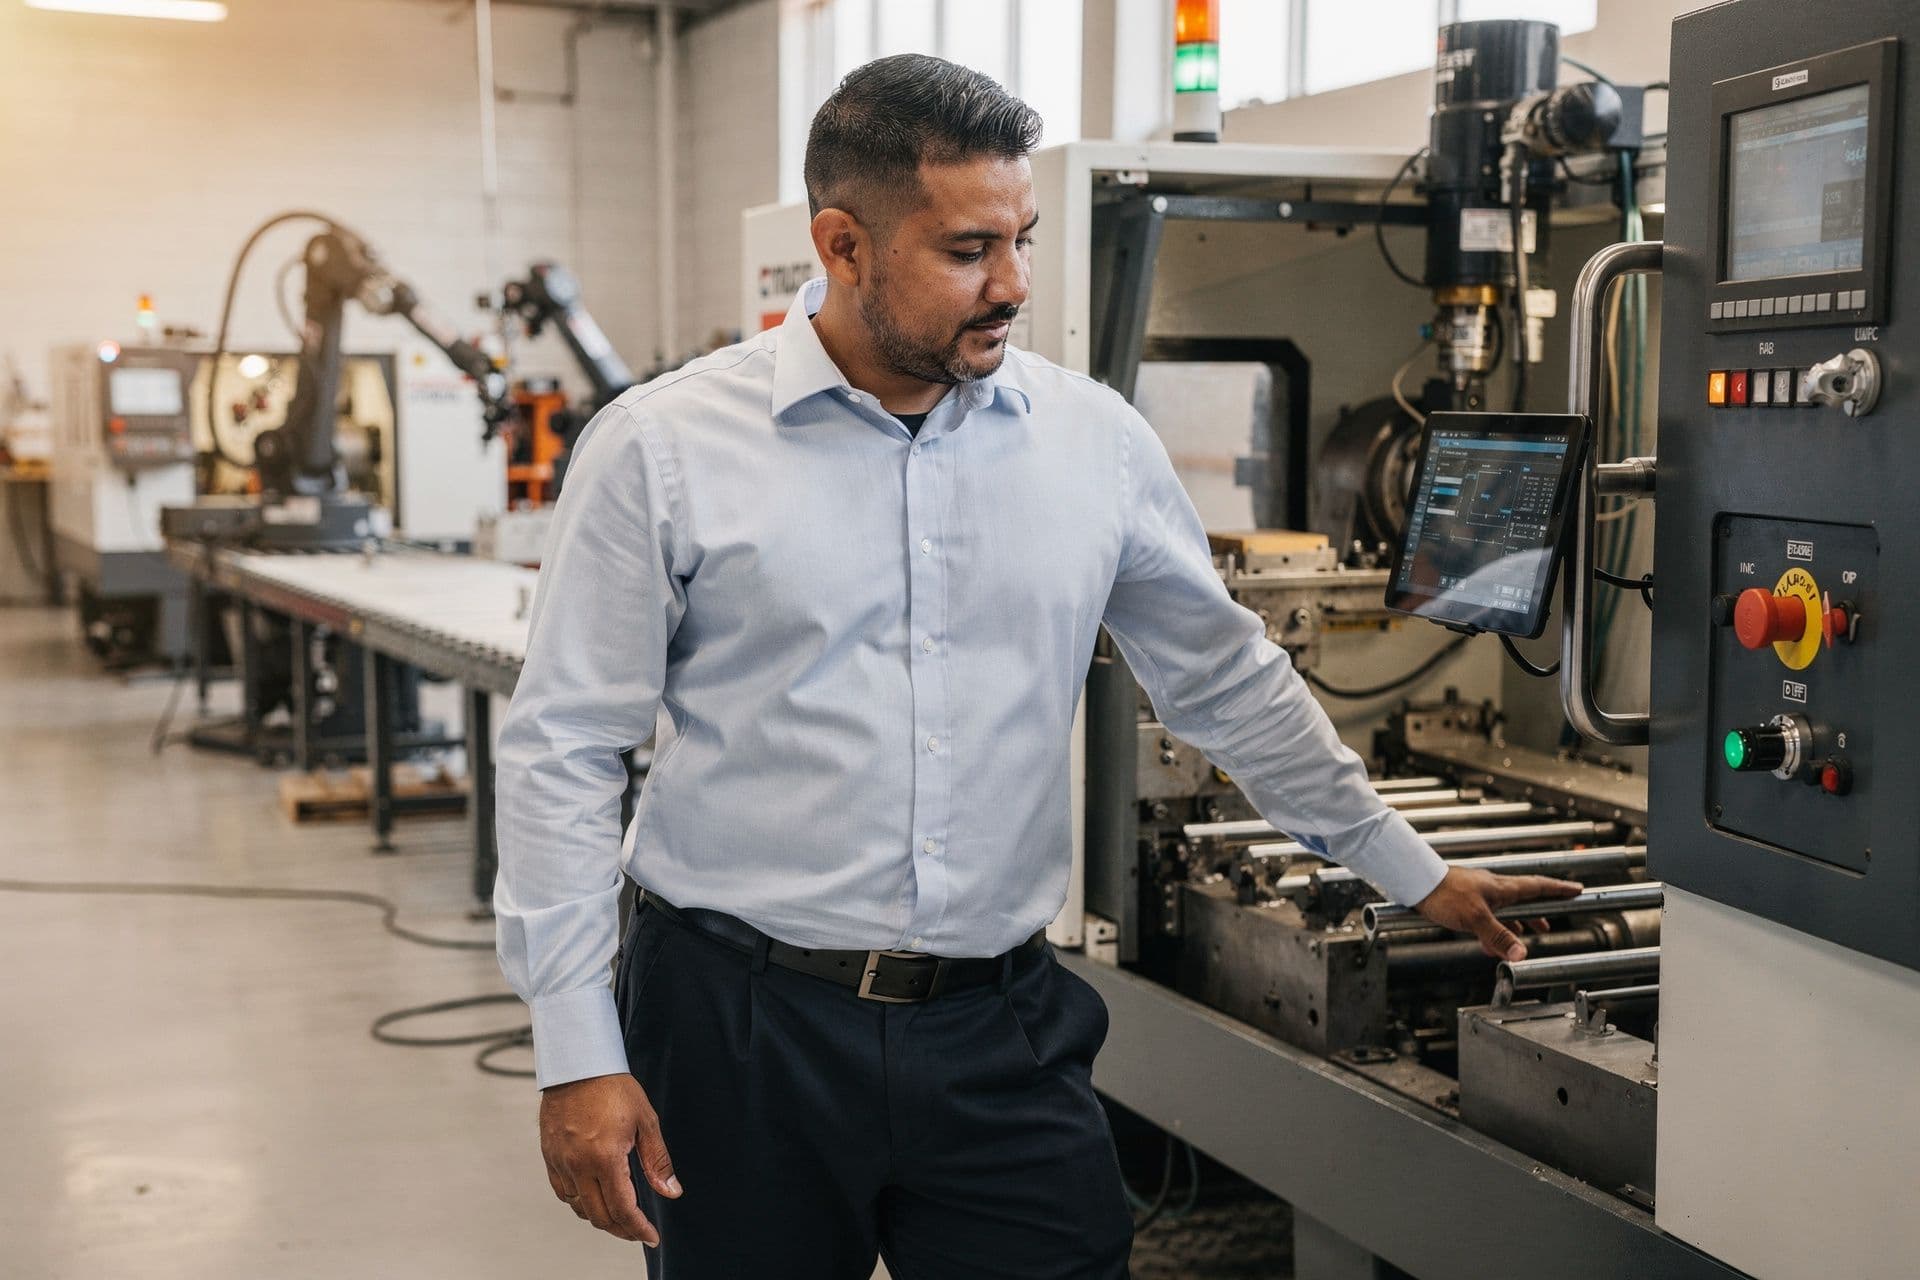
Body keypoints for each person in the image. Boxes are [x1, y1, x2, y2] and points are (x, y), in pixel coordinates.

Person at [493, 52, 1579, 1280]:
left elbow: (1226, 679)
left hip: (998, 1024)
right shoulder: (664, 449)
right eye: (967, 250)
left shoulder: (1092, 443)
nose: (1011, 283)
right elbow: (563, 750)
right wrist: (577, 1046)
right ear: (842, 246)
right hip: (743, 1027)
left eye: (1025, 237)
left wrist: (1407, 866)